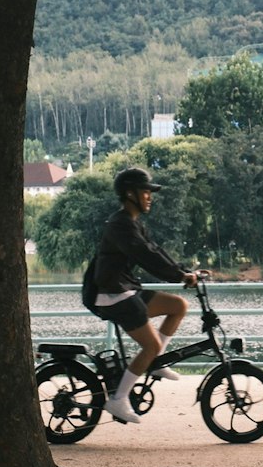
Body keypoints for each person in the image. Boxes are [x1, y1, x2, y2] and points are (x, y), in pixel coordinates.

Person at [82, 166, 208, 424]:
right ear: (130, 194)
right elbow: (145, 255)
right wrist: (179, 276)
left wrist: (184, 271)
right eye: (145, 192)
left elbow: (155, 250)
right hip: (112, 293)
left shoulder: (132, 223)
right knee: (149, 345)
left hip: (126, 288)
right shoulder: (120, 225)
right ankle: (118, 399)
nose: (150, 197)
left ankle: (155, 361)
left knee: (178, 305)